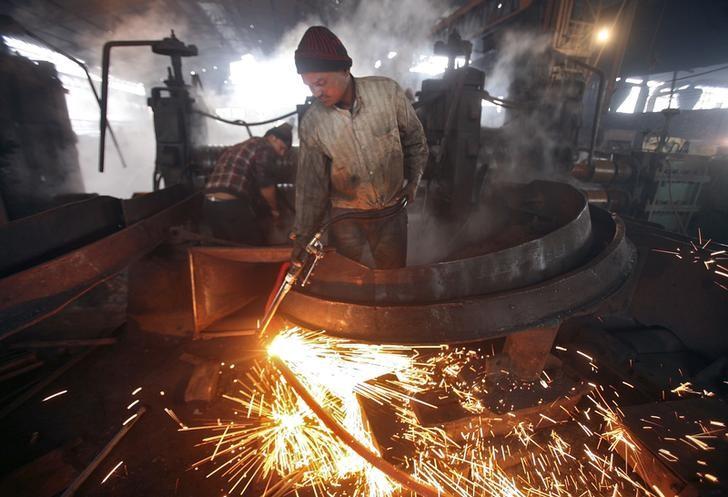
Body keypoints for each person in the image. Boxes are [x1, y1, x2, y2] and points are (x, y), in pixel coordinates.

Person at [291, 26, 428, 269]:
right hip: (345, 218)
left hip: (391, 212)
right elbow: (311, 187)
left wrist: (413, 183)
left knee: (391, 277)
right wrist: (303, 238)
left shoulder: (387, 93)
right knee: (348, 279)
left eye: (321, 82)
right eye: (310, 86)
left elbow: (416, 141)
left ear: (345, 69)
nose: (316, 92)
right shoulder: (313, 123)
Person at [204, 123, 292, 244]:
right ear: (272, 138)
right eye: (282, 148)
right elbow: (265, 184)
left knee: (225, 250)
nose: (281, 154)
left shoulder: (242, 146)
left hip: (209, 205)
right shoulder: (265, 147)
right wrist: (275, 211)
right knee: (254, 249)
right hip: (230, 204)